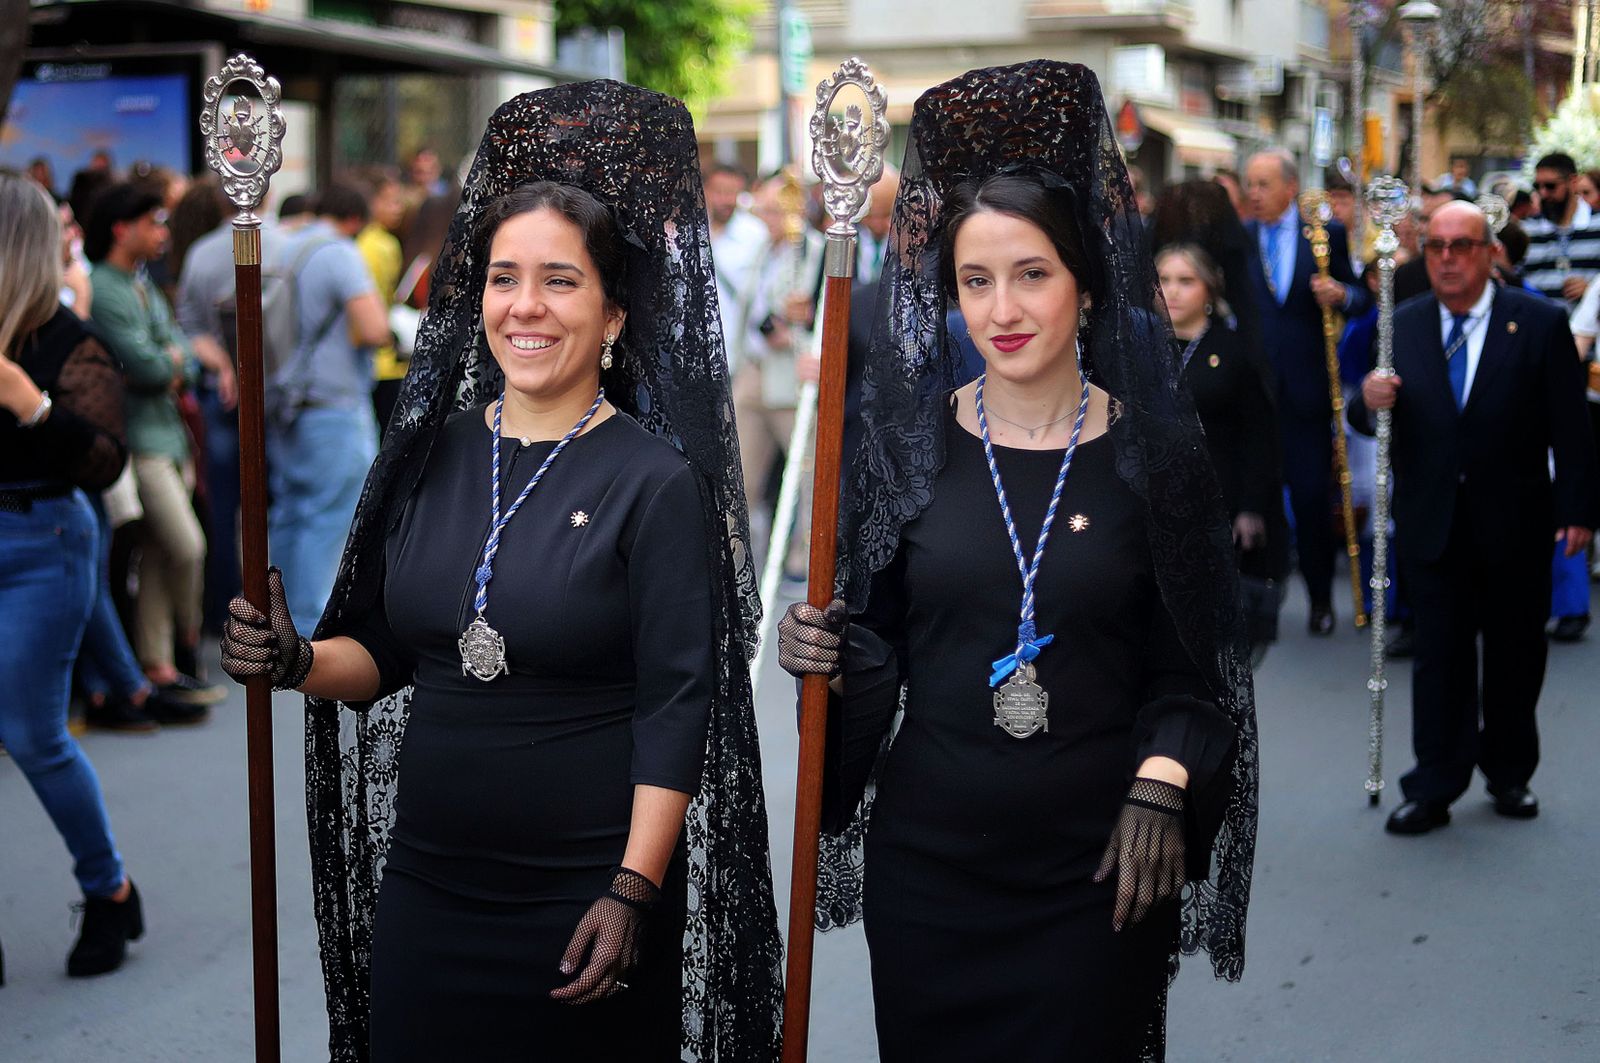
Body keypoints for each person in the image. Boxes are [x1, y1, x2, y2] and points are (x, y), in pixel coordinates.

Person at [220, 82, 782, 1061]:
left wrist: (632, 889)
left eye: (560, 281)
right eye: (501, 276)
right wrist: (296, 657)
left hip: (585, 898)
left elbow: (678, 702)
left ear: (613, 313)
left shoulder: (654, 480)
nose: (524, 306)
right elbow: (389, 653)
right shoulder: (431, 453)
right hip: (429, 893)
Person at [778, 61, 1256, 1062]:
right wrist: (821, 647)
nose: (1003, 307)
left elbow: (1194, 675)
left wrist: (1161, 783)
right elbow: (874, 651)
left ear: (1084, 282)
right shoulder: (905, 447)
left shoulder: (1153, 457)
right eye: (975, 279)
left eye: (1031, 273)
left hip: (1097, 872)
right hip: (931, 875)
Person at [1350, 201, 1599, 835]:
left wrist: (1579, 510)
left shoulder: (1538, 323)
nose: (1448, 259)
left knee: (1516, 656)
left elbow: (1573, 428)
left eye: (1462, 246)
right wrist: (1366, 402)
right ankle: (1435, 782)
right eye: (1436, 247)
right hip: (1433, 524)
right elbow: (1367, 413)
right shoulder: (1399, 326)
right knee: (1439, 659)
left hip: (1515, 522)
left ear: (1490, 253)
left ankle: (1509, 771)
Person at [0, 171, 146, 977]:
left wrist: (34, 407)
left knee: (32, 733)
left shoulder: (66, 340)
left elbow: (103, 462)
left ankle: (110, 891)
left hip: (42, 537)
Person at [86, 182, 225, 709]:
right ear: (123, 228)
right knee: (185, 545)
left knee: (164, 554)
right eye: (153, 222)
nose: (162, 233)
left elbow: (181, 355)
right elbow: (148, 365)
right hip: (141, 440)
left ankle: (161, 665)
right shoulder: (104, 287)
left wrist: (172, 362)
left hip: (168, 437)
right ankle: (182, 650)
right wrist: (171, 362)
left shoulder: (139, 283)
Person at [1244, 149, 1371, 634]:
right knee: (1253, 499)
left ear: (1289, 188)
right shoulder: (1240, 237)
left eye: (1263, 183)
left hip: (1307, 392)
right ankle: (1255, 600)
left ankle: (1320, 599)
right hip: (1253, 392)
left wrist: (1341, 295)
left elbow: (1361, 297)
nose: (1254, 193)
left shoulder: (1324, 235)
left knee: (1312, 496)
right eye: (1250, 184)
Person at [264, 182, 389, 630]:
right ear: (355, 220)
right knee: (330, 517)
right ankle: (308, 626)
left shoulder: (281, 246)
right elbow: (374, 327)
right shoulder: (339, 252)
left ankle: (267, 612)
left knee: (291, 512)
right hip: (334, 404)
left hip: (286, 401)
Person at [1158, 243, 1289, 660]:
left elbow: (1259, 434)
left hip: (1220, 500)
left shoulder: (1234, 351)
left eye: (1186, 281)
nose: (1173, 291)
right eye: (1163, 280)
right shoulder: (1138, 349)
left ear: (1210, 291)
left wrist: (1251, 507)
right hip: (1154, 502)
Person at [704, 162, 767, 374]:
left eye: (733, 193)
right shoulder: (689, 233)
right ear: (706, 191)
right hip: (699, 358)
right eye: (720, 192)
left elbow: (762, 295)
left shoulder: (756, 234)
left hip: (743, 358)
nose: (726, 200)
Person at [1521, 153, 1600, 307]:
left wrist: (1593, 291)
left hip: (1586, 329)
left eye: (1550, 186)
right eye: (1537, 186)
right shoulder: (1526, 230)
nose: (1543, 193)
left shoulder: (1598, 225)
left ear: (1573, 182)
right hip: (1538, 326)